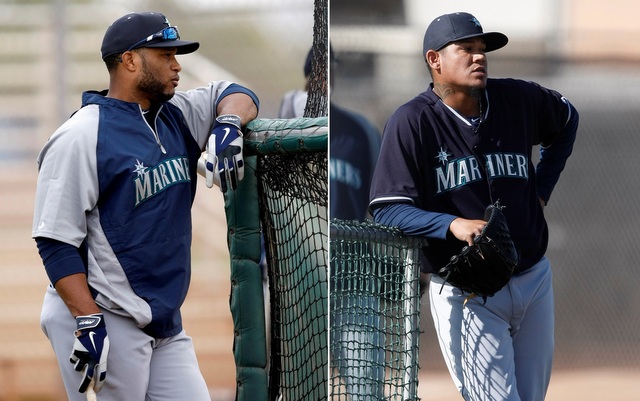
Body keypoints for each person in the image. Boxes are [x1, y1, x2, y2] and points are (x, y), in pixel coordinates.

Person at [32, 11, 259, 401]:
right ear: (130, 60)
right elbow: (55, 241)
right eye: (165, 54)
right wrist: (88, 321)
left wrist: (229, 123)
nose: (177, 65)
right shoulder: (81, 135)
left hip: (163, 321)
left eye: (176, 54)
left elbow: (237, 92)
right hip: (105, 314)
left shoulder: (179, 115)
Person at [369, 12, 578, 401]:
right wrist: (451, 224)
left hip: (533, 279)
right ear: (434, 60)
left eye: (482, 49)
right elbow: (387, 208)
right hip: (468, 291)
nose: (479, 57)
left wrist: (542, 189)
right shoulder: (412, 121)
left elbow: (567, 120)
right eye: (466, 49)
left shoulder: (517, 99)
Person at [329, 50, 384, 399]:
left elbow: (383, 204)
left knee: (366, 387)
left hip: (353, 279)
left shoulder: (359, 131)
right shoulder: (284, 124)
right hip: (298, 279)